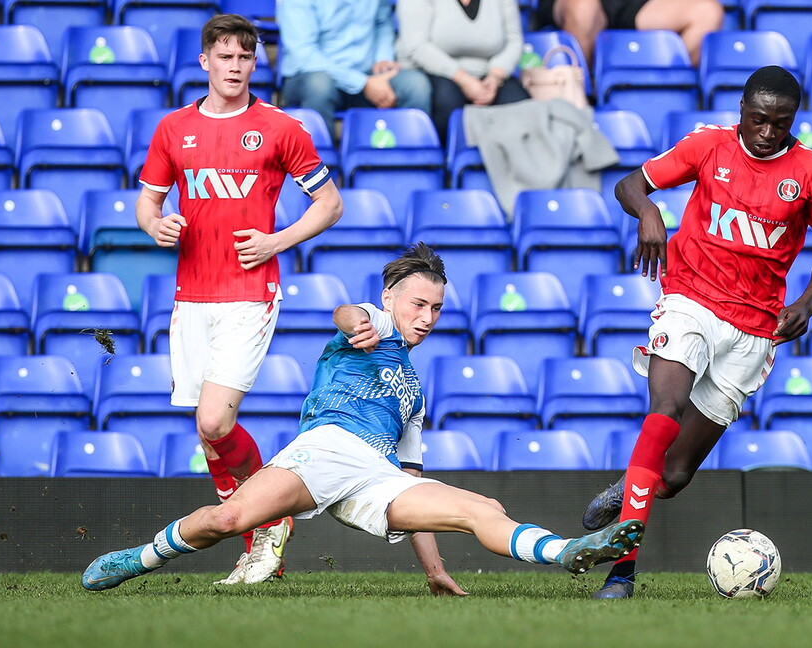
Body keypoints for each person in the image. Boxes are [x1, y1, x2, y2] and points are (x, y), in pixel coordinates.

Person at [82, 243, 645, 593]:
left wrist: (433, 571)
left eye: (437, 309)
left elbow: (412, 477)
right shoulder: (371, 324)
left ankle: (569, 551)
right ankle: (141, 557)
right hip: (323, 452)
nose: (426, 318)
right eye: (418, 305)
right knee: (226, 523)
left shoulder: (416, 393)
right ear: (391, 299)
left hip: (378, 478)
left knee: (483, 507)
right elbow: (344, 311)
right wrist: (354, 321)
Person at [580, 66, 812, 599]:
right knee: (664, 411)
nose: (768, 133)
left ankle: (631, 487)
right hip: (690, 301)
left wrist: (807, 304)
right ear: (741, 111)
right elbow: (629, 183)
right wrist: (648, 210)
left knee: (674, 476)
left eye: (780, 123)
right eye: (758, 119)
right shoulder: (708, 146)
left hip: (755, 329)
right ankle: (621, 572)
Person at [135, 14, 343, 586]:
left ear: (256, 64)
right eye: (224, 57)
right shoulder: (173, 129)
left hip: (250, 291)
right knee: (210, 432)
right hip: (191, 294)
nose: (234, 67)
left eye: (245, 58)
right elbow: (146, 205)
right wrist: (156, 226)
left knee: (214, 418)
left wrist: (277, 240)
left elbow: (329, 204)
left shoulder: (279, 128)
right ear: (204, 62)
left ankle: (264, 526)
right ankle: (261, 537)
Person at [278, 0, 432, 139]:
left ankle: (406, 165)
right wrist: (363, 83)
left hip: (367, 74)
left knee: (415, 84)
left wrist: (382, 59)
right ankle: (319, 166)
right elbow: (305, 54)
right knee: (319, 85)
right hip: (310, 76)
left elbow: (382, 22)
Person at [395, 0, 529, 143]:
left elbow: (514, 41)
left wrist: (495, 76)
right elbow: (417, 46)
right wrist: (463, 78)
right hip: (434, 69)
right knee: (448, 103)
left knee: (521, 107)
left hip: (490, 73)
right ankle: (447, 162)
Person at [535, 0, 724, 67]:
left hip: (634, 4)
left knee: (707, 13)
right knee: (583, 7)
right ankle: (582, 93)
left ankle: (651, 85)